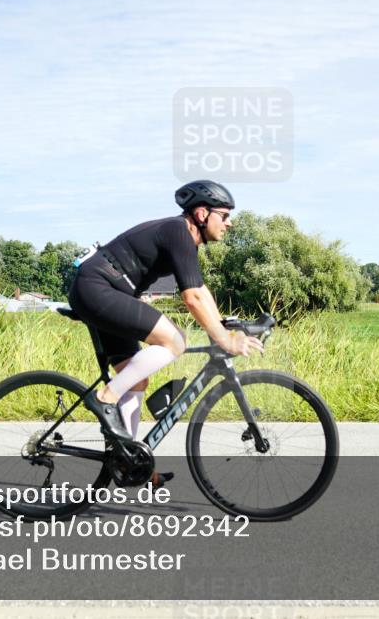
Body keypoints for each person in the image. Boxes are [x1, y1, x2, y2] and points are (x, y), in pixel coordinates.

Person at [67, 180, 264, 481]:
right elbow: (192, 298)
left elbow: (199, 289)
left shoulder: (184, 238)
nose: (230, 223)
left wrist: (223, 326)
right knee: (176, 341)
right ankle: (105, 397)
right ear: (201, 213)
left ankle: (127, 461)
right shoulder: (177, 232)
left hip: (105, 291)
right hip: (98, 288)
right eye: (224, 215)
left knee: (136, 381)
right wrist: (225, 340)